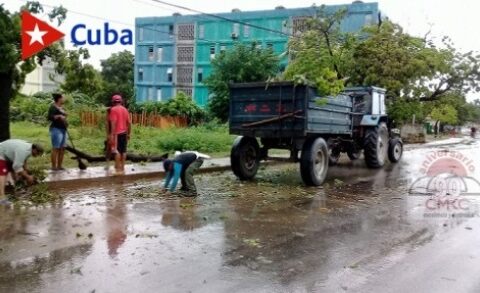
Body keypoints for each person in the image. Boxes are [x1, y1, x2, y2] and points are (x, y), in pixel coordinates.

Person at [0, 139, 44, 205]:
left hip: (7, 153)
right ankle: (2, 198)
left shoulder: (29, 148)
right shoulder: (23, 150)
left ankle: (15, 190)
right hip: (1, 152)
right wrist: (28, 177)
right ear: (34, 149)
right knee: (3, 173)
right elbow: (17, 166)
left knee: (14, 172)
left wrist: (26, 170)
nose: (37, 155)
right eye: (37, 153)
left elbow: (23, 160)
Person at [108, 95, 131, 175]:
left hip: (116, 134)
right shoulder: (125, 109)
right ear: (121, 101)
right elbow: (129, 123)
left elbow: (113, 123)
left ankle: (118, 169)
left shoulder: (113, 110)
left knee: (116, 151)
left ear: (113, 102)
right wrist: (129, 134)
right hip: (124, 133)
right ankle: (123, 168)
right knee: (123, 151)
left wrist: (111, 135)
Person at [47, 93, 68, 171]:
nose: (64, 99)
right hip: (56, 129)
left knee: (62, 148)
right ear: (59, 99)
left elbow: (65, 116)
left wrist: (65, 114)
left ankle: (59, 166)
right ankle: (53, 166)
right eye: (63, 98)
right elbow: (49, 117)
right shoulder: (53, 107)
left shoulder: (61, 107)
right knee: (56, 148)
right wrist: (59, 116)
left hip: (64, 129)